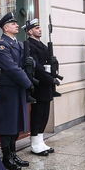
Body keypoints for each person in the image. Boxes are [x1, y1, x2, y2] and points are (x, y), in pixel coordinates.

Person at [0, 12, 33, 170]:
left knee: (15, 123)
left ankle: (13, 154)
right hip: (9, 89)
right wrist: (28, 83)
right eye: (13, 23)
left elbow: (24, 63)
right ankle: (7, 157)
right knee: (7, 124)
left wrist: (31, 62)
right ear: (5, 27)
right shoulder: (2, 45)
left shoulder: (19, 43)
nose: (17, 25)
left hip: (18, 87)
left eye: (16, 23)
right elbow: (11, 68)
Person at [24, 18, 56, 156]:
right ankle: (34, 143)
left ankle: (40, 141)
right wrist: (51, 79)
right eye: (37, 28)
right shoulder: (29, 45)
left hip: (46, 85)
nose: (40, 29)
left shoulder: (42, 45)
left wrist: (55, 64)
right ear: (30, 31)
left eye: (40, 28)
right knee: (37, 114)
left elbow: (48, 62)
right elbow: (36, 66)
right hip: (39, 84)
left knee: (44, 114)